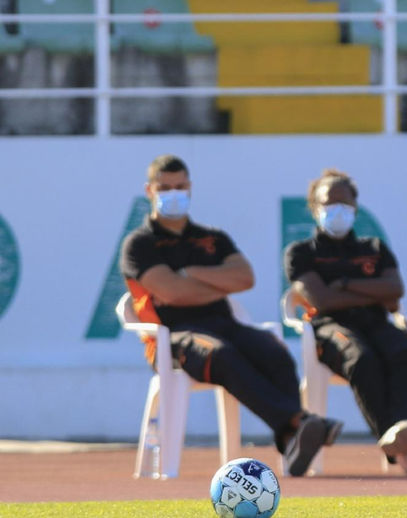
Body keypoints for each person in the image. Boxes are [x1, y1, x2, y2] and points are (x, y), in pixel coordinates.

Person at [120, 155, 341, 478]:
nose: (173, 194)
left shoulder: (212, 237)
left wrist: (189, 273)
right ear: (149, 190)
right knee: (222, 355)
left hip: (225, 324)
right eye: (165, 188)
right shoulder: (139, 244)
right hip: (170, 335)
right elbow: (173, 293)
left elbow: (245, 278)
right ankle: (299, 422)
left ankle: (291, 438)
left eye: (180, 186)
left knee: (275, 352)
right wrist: (216, 283)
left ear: (190, 187)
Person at [283, 168, 407, 474]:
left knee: (405, 353)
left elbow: (395, 290)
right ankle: (399, 446)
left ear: (355, 205)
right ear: (314, 207)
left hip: (376, 323)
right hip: (330, 328)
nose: (337, 209)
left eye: (344, 202)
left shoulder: (374, 248)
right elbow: (323, 301)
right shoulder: (300, 253)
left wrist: (344, 284)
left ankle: (401, 435)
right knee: (362, 359)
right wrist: (371, 292)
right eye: (328, 203)